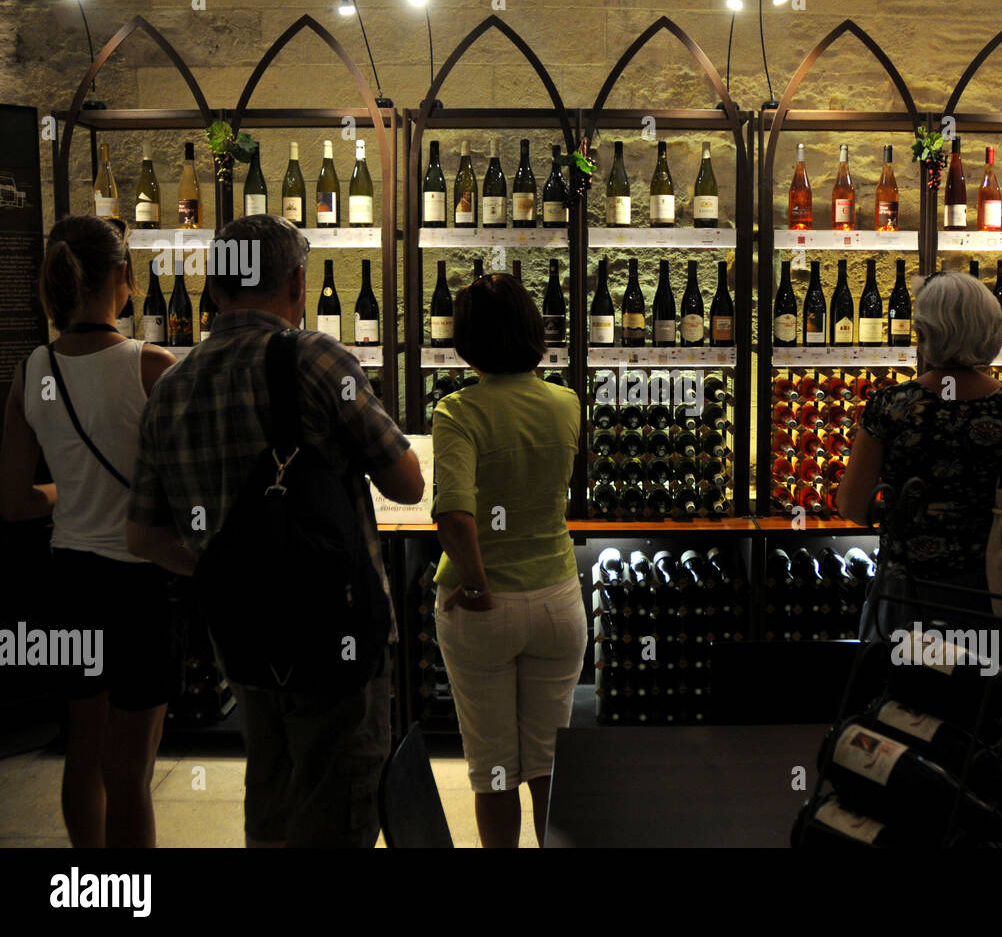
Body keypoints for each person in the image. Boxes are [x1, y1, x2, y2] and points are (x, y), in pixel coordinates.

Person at [123, 214, 424, 848]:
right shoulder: (313, 357)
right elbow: (406, 484)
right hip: (333, 636)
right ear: (295, 279)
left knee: (270, 796)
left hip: (242, 639)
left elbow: (144, 539)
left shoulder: (169, 387)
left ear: (214, 287)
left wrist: (230, 567)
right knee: (337, 805)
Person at [0, 215, 177, 847]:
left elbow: (16, 503)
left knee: (84, 751)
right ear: (122, 279)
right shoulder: (150, 367)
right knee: (130, 770)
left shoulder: (32, 369)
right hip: (137, 582)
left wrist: (64, 491)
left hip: (69, 581)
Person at [431, 273, 584, 849]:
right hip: (557, 600)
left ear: (466, 338)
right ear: (532, 331)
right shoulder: (564, 402)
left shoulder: (457, 412)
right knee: (548, 760)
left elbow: (454, 516)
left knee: (493, 764)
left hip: (485, 608)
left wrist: (475, 587)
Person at [837, 271, 1002, 644]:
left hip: (909, 595)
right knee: (977, 695)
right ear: (991, 332)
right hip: (993, 596)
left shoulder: (891, 406)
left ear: (926, 333)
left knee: (906, 695)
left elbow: (850, 505)